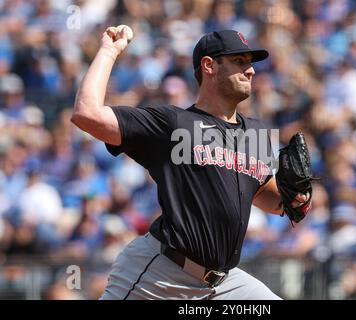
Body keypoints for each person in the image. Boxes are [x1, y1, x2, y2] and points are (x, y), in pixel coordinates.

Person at [71, 27, 310, 300]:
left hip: (223, 284)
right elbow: (86, 114)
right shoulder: (174, 125)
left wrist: (291, 200)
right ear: (209, 65)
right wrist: (109, 50)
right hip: (161, 276)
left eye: (250, 63)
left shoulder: (255, 134)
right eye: (239, 61)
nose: (251, 70)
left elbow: (261, 194)